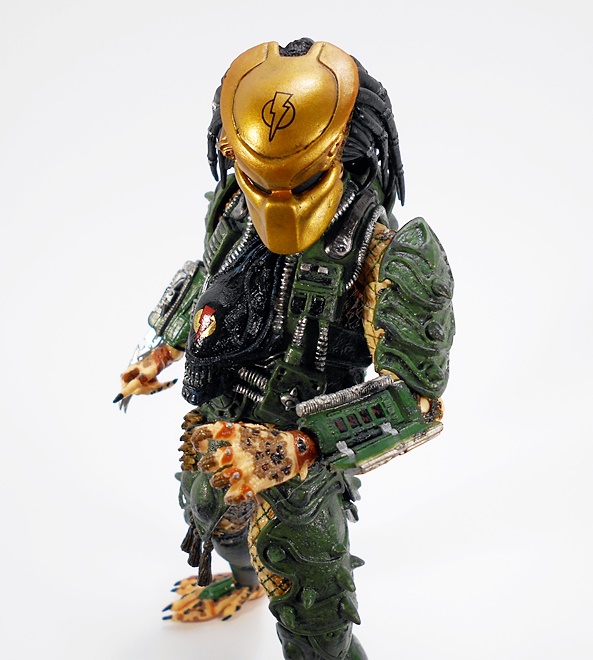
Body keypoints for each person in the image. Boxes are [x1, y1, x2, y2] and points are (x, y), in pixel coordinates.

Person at [116, 38, 454, 660]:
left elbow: (416, 402)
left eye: (303, 181)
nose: (279, 203)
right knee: (210, 514)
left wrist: (298, 448)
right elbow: (211, 279)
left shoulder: (386, 252)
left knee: (312, 605)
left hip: (304, 456)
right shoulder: (234, 211)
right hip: (223, 425)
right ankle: (241, 582)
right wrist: (161, 347)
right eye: (258, 180)